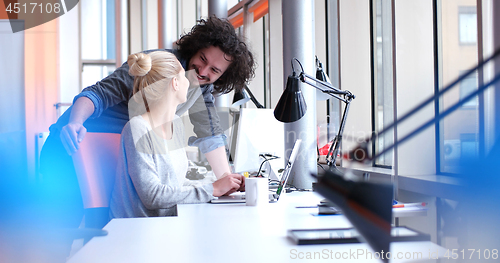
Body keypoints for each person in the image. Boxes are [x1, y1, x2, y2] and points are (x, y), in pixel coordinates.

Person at [39, 16, 255, 228]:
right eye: (202, 59)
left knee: (97, 227)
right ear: (195, 49)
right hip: (72, 142)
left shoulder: (200, 87)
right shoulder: (158, 68)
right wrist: (76, 122)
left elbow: (210, 133)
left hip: (108, 153)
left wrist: (227, 181)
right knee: (62, 230)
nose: (203, 71)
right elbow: (99, 93)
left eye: (214, 70)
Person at [110, 51, 241, 218]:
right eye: (184, 76)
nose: (190, 80)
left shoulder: (176, 124)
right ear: (175, 83)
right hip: (139, 229)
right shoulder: (137, 128)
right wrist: (213, 189)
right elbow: (153, 196)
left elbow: (176, 184)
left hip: (167, 223)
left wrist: (221, 185)